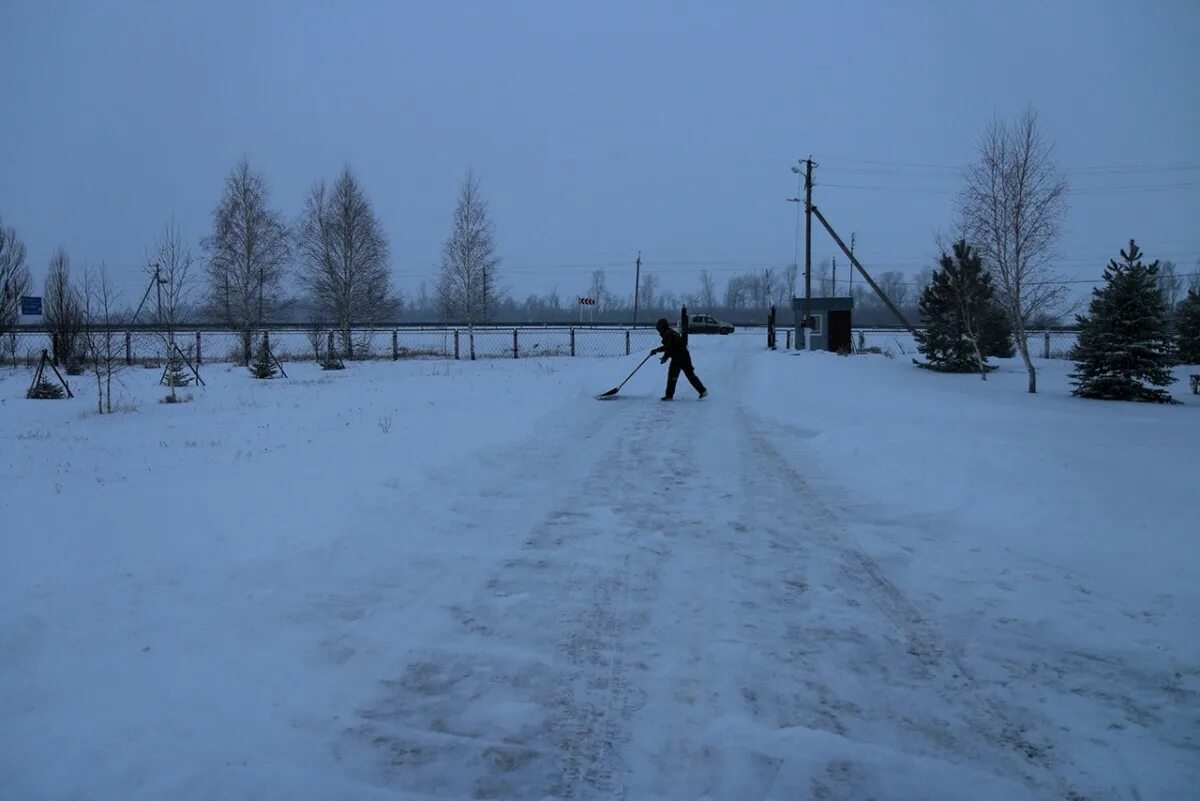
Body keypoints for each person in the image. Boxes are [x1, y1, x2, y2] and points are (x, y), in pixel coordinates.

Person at [650, 318, 707, 401]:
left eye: (658, 328)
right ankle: (703, 391)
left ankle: (669, 396)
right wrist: (663, 356)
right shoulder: (671, 332)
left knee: (672, 377)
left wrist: (658, 352)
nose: (658, 330)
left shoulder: (667, 334)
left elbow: (668, 348)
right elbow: (670, 347)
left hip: (678, 357)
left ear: (662, 327)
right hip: (685, 356)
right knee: (690, 375)